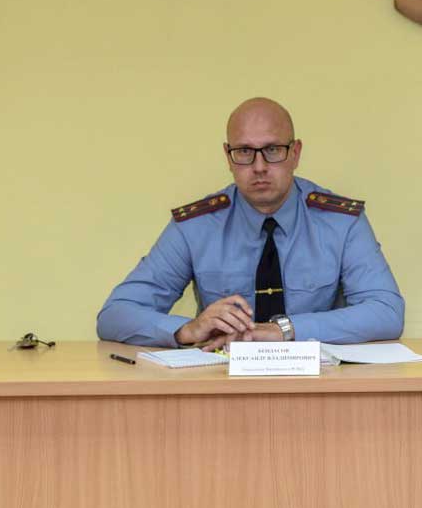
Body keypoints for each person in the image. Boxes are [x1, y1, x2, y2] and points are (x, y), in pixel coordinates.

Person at [97, 97, 404, 350]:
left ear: (295, 153)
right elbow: (115, 314)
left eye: (272, 150)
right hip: (223, 385)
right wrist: (187, 330)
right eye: (244, 152)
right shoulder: (196, 226)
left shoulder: (341, 222)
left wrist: (285, 330)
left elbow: (386, 311)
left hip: (317, 385)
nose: (259, 167)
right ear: (228, 157)